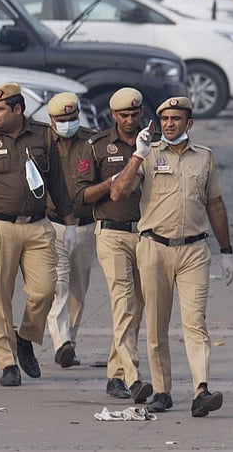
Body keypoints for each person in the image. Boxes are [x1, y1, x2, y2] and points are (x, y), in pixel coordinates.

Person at [111, 96, 233, 417]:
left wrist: (227, 251)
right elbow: (119, 192)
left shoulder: (204, 158)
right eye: (164, 119)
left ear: (188, 123)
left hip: (194, 249)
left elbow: (215, 205)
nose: (169, 123)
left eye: (176, 119)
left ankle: (201, 390)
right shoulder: (148, 155)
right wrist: (137, 155)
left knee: (195, 323)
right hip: (153, 248)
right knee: (156, 325)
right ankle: (162, 390)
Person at [0, 82, 78, 387]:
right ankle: (7, 362)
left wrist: (70, 221)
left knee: (45, 289)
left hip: (36, 225)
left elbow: (57, 182)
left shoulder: (43, 135)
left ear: (17, 110)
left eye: (0, 109)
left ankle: (26, 338)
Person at [76, 87, 153, 403]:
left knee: (138, 306)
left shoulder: (152, 143)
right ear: (114, 115)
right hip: (111, 233)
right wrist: (110, 183)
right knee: (123, 303)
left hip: (147, 234)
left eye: (135, 113)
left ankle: (114, 375)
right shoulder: (96, 147)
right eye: (125, 115)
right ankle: (133, 378)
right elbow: (81, 196)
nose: (131, 119)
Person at [43, 92, 98, 369]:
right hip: (52, 224)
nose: (68, 123)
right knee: (59, 286)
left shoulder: (93, 140)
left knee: (78, 287)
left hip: (86, 225)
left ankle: (70, 343)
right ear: (51, 120)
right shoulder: (41, 142)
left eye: (72, 118)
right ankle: (61, 341)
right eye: (62, 120)